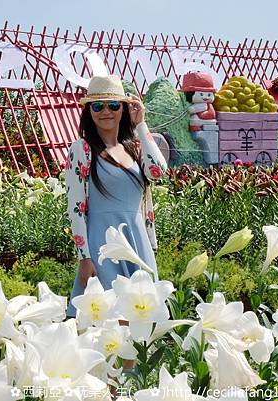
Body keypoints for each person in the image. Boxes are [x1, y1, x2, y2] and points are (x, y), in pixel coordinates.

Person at [65, 75, 167, 318]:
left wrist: (141, 125)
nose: (105, 112)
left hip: (137, 242)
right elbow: (75, 208)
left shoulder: (135, 148)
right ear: (89, 111)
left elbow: (158, 171)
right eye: (97, 106)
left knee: (139, 320)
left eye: (113, 105)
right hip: (101, 245)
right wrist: (84, 258)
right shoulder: (82, 149)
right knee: (109, 320)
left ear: (124, 108)